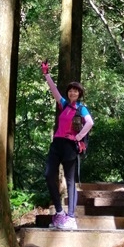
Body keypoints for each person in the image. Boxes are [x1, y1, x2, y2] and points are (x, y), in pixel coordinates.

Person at [40, 60, 94, 230]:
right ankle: (59, 212)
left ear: (79, 94)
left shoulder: (81, 109)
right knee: (49, 174)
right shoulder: (63, 104)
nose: (73, 92)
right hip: (56, 144)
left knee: (70, 181)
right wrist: (46, 74)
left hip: (70, 146)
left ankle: (71, 217)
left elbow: (90, 123)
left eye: (75, 91)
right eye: (71, 90)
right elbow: (54, 90)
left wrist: (78, 136)